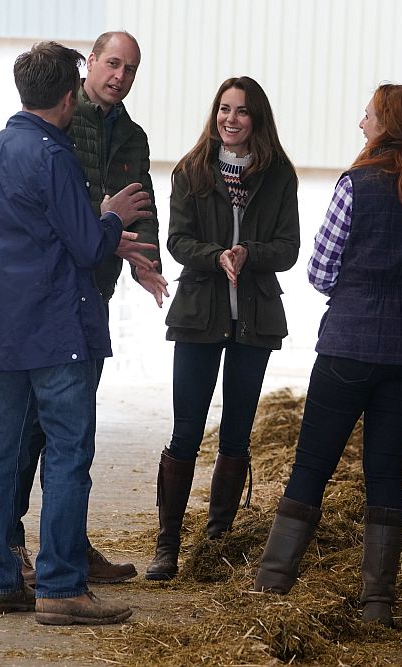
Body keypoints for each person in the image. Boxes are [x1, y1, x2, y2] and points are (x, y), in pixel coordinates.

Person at [253, 84, 402, 627]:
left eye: (367, 115)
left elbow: (321, 271)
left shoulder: (355, 185)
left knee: (312, 464)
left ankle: (272, 584)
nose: (361, 123)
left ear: (387, 124)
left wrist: (361, 287)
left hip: (350, 342)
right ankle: (377, 603)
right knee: (386, 470)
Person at [0, 40, 153, 625]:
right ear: (69, 96)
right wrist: (113, 214)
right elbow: (89, 245)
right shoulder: (54, 156)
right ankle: (61, 586)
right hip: (53, 330)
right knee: (68, 453)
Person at [10, 30, 169, 587]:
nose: (120, 77)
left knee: (72, 430)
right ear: (92, 64)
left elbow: (140, 203)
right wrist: (104, 221)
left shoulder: (133, 136)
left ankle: (68, 545)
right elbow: (57, 206)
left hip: (91, 294)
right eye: (112, 64)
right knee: (34, 429)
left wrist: (143, 259)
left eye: (130, 69)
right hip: (49, 290)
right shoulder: (58, 117)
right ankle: (14, 547)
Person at [145, 76, 300, 581]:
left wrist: (249, 255)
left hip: (255, 318)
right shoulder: (192, 171)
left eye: (242, 111)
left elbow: (289, 247)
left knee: (237, 432)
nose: (231, 119)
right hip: (198, 315)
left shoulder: (279, 175)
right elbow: (178, 240)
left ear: (258, 119)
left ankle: (216, 544)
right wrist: (217, 257)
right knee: (186, 430)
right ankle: (167, 548)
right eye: (224, 109)